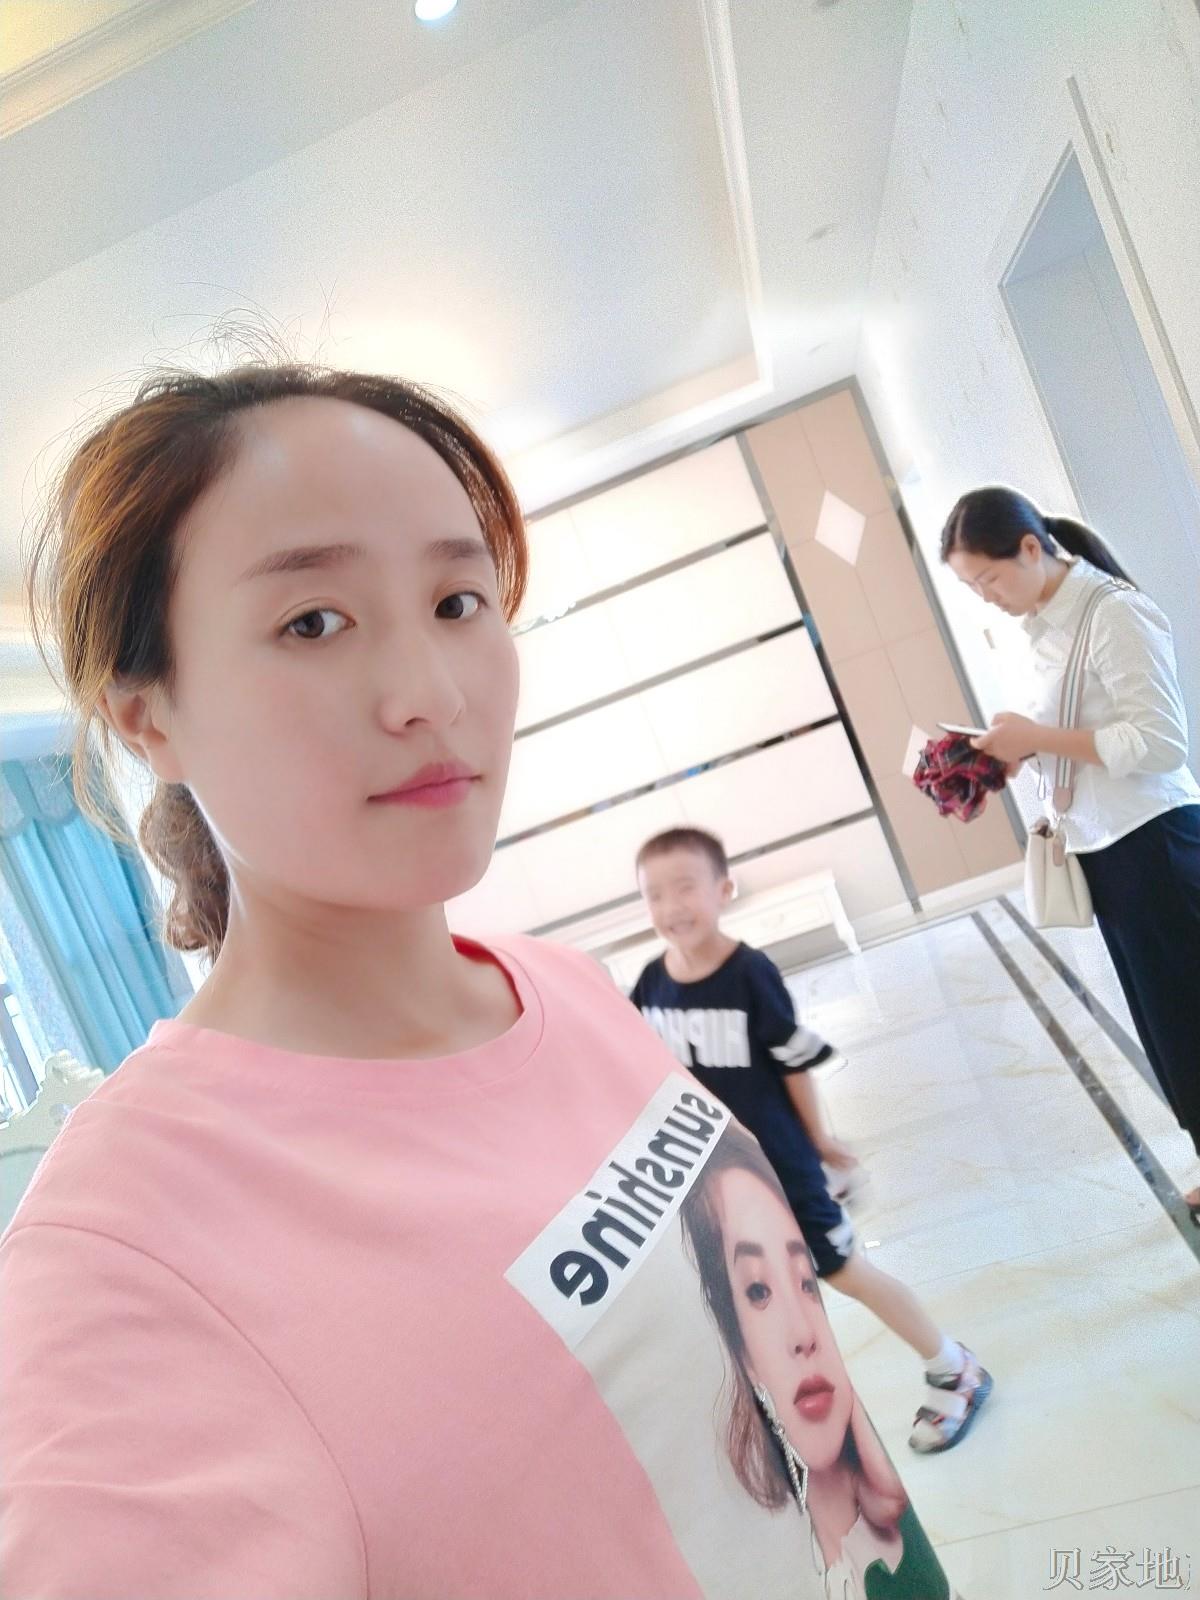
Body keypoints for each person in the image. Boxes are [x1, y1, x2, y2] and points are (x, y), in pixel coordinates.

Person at [0, 358, 959, 1600]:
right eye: (312, 622)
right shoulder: (125, 1254)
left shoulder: (567, 991)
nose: (433, 694)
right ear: (147, 717)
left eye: (459, 599)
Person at [630, 827, 992, 1453]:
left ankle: (954, 1368)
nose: (671, 907)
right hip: (712, 1175)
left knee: (844, 1270)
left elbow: (792, 1062)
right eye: (654, 895)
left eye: (685, 887)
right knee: (740, 1295)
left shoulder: (749, 973)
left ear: (724, 889)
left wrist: (819, 1142)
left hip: (781, 1165)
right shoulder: (652, 983)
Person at [942, 486, 1200, 1218]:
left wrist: (1038, 738)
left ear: (1031, 548)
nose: (986, 597)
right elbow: (1078, 734)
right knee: (1168, 1027)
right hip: (1107, 848)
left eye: (989, 578)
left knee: (1189, 1013)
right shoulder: (1039, 627)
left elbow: (1160, 743)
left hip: (1156, 839)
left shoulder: (1113, 612)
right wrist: (1015, 749)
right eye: (971, 587)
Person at [680, 1123, 950, 1600]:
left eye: (806, 1284)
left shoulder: (903, 1559)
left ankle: (953, 1366)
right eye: (758, 1291)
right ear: (729, 1335)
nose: (805, 1336)